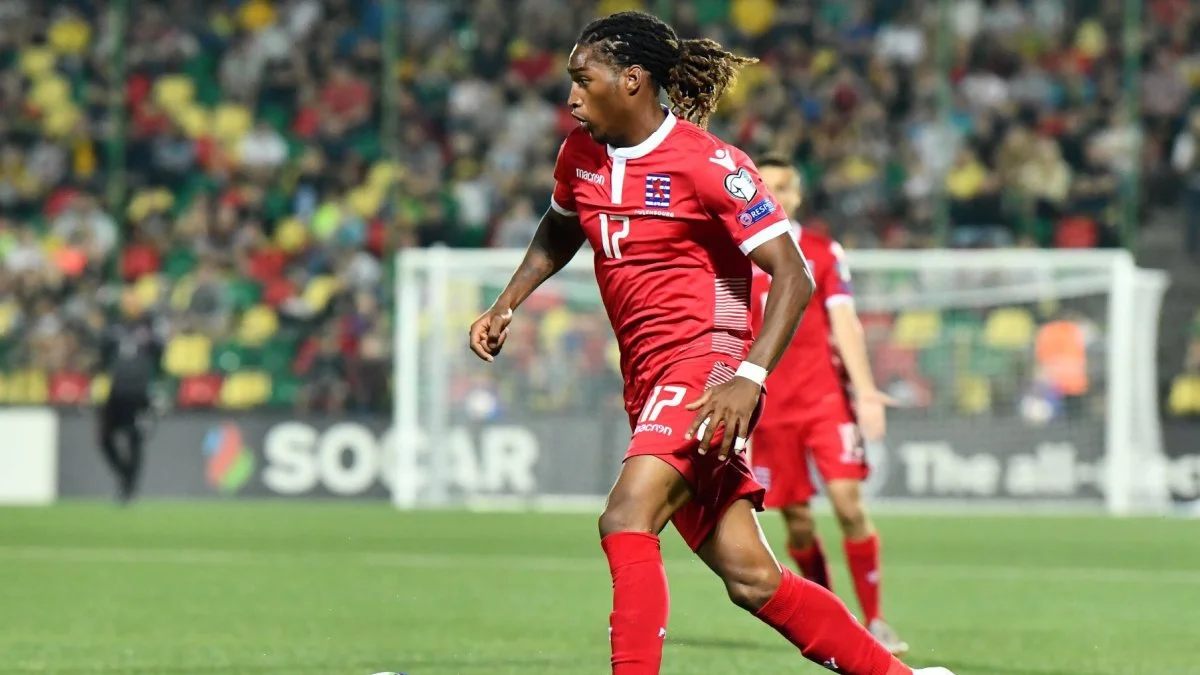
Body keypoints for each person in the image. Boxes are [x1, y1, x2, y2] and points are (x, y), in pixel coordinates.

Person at [469, 11, 954, 675]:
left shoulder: (710, 165)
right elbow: (560, 228)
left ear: (632, 80)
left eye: (584, 80)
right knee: (752, 577)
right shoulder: (579, 155)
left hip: (707, 370)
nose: (572, 97)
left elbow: (794, 274)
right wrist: (507, 301)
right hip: (647, 382)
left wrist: (748, 377)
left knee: (626, 517)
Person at [748, 156, 908, 654]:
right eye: (764, 186)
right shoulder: (737, 252)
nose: (774, 195)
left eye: (783, 187)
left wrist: (865, 391)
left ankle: (876, 619)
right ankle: (837, 619)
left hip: (823, 400)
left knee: (847, 504)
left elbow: (845, 323)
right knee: (797, 521)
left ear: (797, 196)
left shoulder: (819, 251)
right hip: (770, 406)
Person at [98, 291, 165, 503]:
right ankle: (125, 476)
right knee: (105, 438)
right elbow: (102, 354)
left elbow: (160, 355)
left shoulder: (149, 329)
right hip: (117, 391)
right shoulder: (114, 329)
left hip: (139, 393)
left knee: (134, 439)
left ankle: (129, 487)